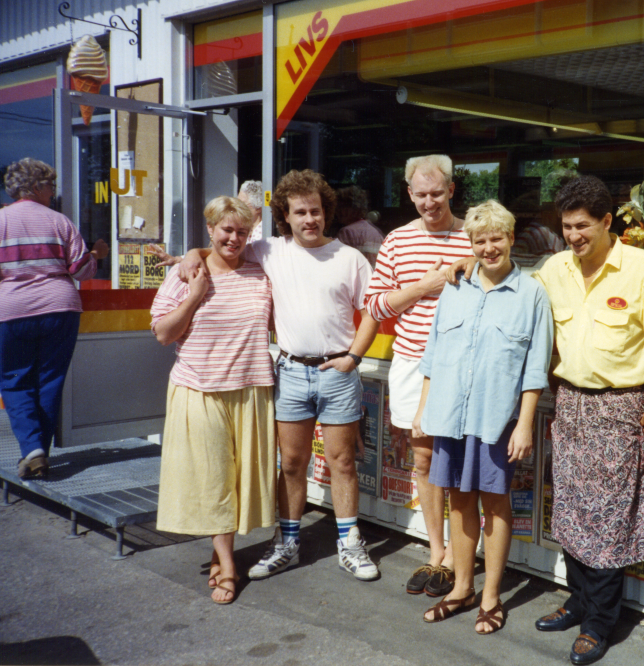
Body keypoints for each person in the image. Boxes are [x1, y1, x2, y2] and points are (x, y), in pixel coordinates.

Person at [450, 176, 644, 664]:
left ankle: (600, 622)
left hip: (622, 406)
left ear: (608, 222)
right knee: (571, 509)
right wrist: (472, 261)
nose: (573, 235)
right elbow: (510, 282)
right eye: (567, 226)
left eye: (583, 226)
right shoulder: (554, 269)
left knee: (608, 518)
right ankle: (579, 600)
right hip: (571, 401)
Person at [173, 170, 381, 583]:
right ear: (286, 215)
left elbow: (372, 311)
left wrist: (354, 358)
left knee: (341, 461)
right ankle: (287, 541)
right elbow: (224, 245)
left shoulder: (349, 257)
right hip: (290, 371)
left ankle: (350, 542)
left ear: (326, 212)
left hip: (337, 371)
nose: (310, 219)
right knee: (291, 463)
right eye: (300, 212)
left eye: (316, 211)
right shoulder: (270, 249)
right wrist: (192, 253)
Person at [411, 200, 552, 634]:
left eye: (497, 238)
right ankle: (461, 588)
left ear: (512, 239)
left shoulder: (532, 294)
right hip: (450, 415)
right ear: (470, 244)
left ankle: (491, 596)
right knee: (458, 499)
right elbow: (433, 356)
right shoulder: (455, 287)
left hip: (495, 420)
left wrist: (524, 424)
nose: (489, 248)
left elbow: (534, 368)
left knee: (495, 503)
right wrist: (422, 410)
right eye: (479, 240)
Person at [151, 196, 275, 605]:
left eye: (242, 231)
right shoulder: (190, 274)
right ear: (210, 229)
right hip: (199, 389)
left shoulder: (261, 272)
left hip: (251, 388)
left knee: (238, 479)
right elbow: (163, 333)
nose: (235, 238)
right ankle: (228, 566)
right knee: (214, 479)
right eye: (227, 229)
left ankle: (220, 550)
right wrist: (194, 294)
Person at [365, 154, 473, 597]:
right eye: (420, 195)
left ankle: (462, 558)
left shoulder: (473, 235)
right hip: (412, 362)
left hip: (465, 366)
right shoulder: (396, 241)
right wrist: (422, 288)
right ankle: (437, 552)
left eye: (436, 193)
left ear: (451, 190)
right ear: (408, 194)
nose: (429, 203)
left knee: (463, 460)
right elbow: (374, 305)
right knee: (425, 458)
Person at [0, 158, 108, 479]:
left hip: (12, 312)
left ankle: (32, 451)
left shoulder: (1, 221)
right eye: (50, 186)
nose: (53, 192)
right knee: (49, 381)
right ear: (35, 187)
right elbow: (81, 270)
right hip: (60, 309)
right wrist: (97, 255)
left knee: (14, 381)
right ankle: (38, 454)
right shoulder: (60, 222)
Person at [335, 185, 383, 268]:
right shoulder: (377, 232)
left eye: (341, 206)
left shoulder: (346, 232)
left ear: (353, 208)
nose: (337, 211)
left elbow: (340, 266)